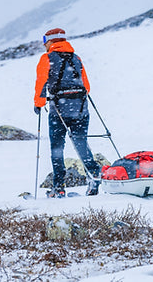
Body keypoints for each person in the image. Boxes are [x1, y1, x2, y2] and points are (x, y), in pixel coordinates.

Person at [34, 28, 101, 197]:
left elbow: (41, 83)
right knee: (81, 143)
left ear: (50, 41)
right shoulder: (76, 58)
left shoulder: (47, 58)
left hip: (59, 110)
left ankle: (59, 187)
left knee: (57, 148)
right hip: (80, 109)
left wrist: (39, 103)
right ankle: (93, 176)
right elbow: (86, 86)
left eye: (45, 40)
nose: (44, 44)